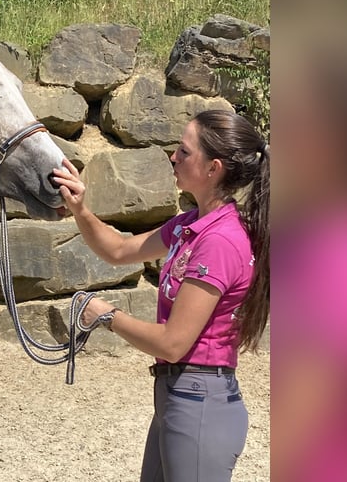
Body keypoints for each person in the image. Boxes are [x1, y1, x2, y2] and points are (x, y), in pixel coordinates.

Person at [51, 109, 270, 482]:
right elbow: (119, 250)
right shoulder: (191, 225)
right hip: (180, 397)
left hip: (198, 402)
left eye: (184, 152)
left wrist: (107, 315)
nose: (173, 157)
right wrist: (79, 207)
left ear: (213, 168)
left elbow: (173, 343)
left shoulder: (218, 241)